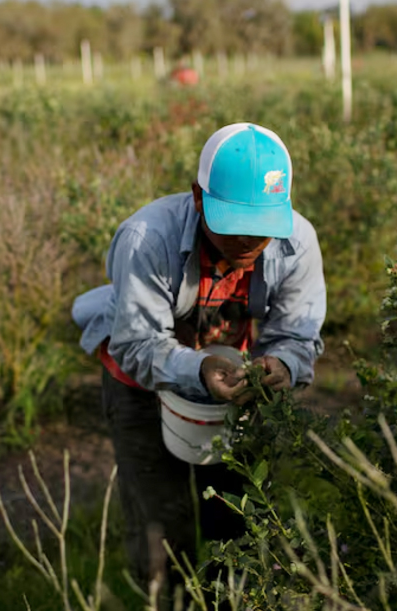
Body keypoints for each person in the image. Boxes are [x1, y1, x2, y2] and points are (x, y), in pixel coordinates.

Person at [71, 122, 326, 601]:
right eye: (234, 225)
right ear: (197, 198)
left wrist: (282, 368)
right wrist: (198, 368)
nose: (250, 239)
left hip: (233, 382)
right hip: (139, 381)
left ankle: (230, 598)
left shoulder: (297, 243)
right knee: (160, 522)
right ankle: (165, 598)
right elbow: (137, 343)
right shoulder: (147, 239)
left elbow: (298, 335)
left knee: (237, 512)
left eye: (263, 227)